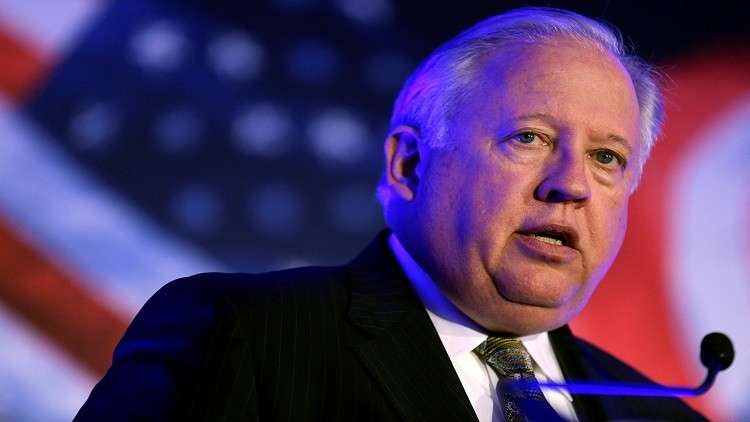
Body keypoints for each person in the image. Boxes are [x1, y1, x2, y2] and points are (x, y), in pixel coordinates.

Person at [76, 7, 706, 421]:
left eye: (606, 157)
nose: (570, 184)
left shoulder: (660, 414)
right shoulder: (240, 336)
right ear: (409, 163)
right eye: (529, 138)